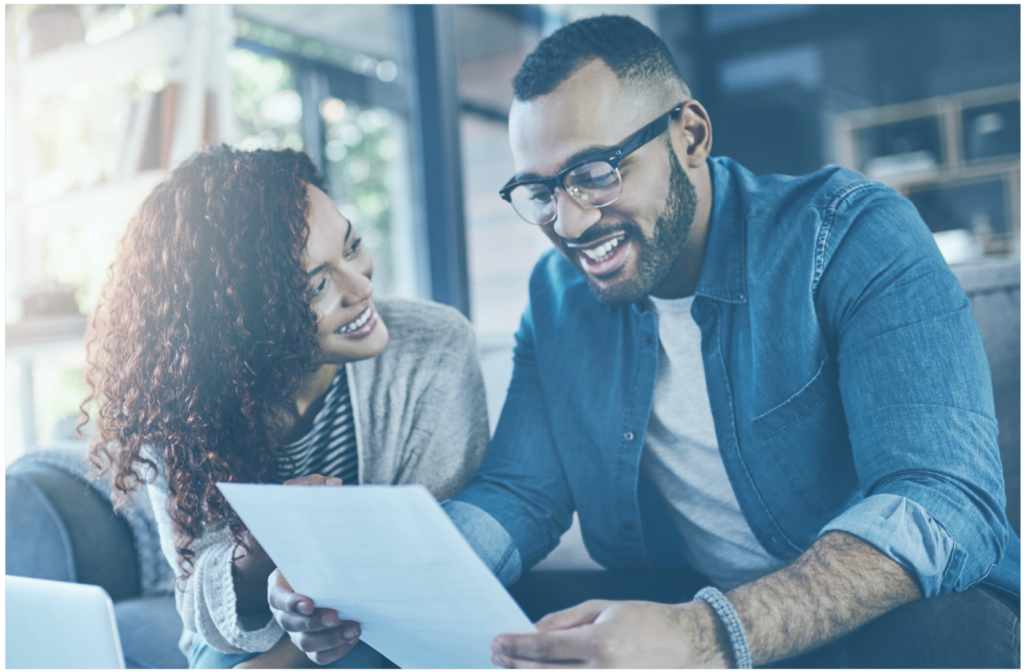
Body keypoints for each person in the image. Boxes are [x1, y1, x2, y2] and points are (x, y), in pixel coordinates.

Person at [269, 16, 1020, 669]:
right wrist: (378, 588)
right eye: (539, 191)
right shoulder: (558, 299)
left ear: (689, 135)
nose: (569, 222)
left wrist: (709, 636)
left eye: (594, 172)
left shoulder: (851, 235)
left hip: (871, 617)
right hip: (684, 609)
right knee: (451, 638)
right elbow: (521, 493)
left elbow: (943, 500)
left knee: (947, 630)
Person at [83, 146, 489, 669]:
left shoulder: (436, 348)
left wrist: (280, 663)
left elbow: (427, 571)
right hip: (251, 628)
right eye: (319, 283)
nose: (361, 285)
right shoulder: (178, 403)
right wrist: (259, 555)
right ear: (245, 320)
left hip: (397, 622)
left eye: (354, 246)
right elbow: (199, 603)